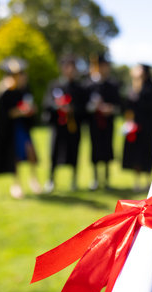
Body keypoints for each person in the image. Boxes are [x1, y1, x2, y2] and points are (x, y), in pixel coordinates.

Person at [0, 57, 41, 199]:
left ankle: (34, 179)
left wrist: (30, 111)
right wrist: (18, 112)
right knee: (14, 157)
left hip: (23, 127)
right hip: (11, 130)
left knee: (31, 152)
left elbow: (30, 106)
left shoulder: (25, 90)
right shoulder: (5, 91)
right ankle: (16, 184)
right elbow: (1, 114)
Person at [44, 56, 88, 193]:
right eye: (67, 66)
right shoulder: (55, 85)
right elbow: (47, 103)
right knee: (54, 152)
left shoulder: (79, 88)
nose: (70, 70)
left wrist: (72, 109)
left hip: (73, 126)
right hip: (58, 126)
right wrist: (58, 106)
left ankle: (74, 181)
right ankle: (51, 180)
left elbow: (84, 107)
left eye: (73, 67)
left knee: (74, 152)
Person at [122, 64, 152, 191]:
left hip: (147, 127)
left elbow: (150, 106)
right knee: (135, 155)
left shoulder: (150, 88)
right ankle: (136, 181)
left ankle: (148, 181)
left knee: (147, 153)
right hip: (134, 127)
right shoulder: (132, 87)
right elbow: (127, 106)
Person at [87, 54, 121, 190]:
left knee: (107, 149)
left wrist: (110, 108)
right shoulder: (89, 84)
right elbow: (84, 106)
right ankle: (95, 179)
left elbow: (119, 105)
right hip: (94, 123)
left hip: (108, 123)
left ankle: (106, 180)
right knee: (94, 149)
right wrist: (93, 107)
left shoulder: (112, 85)